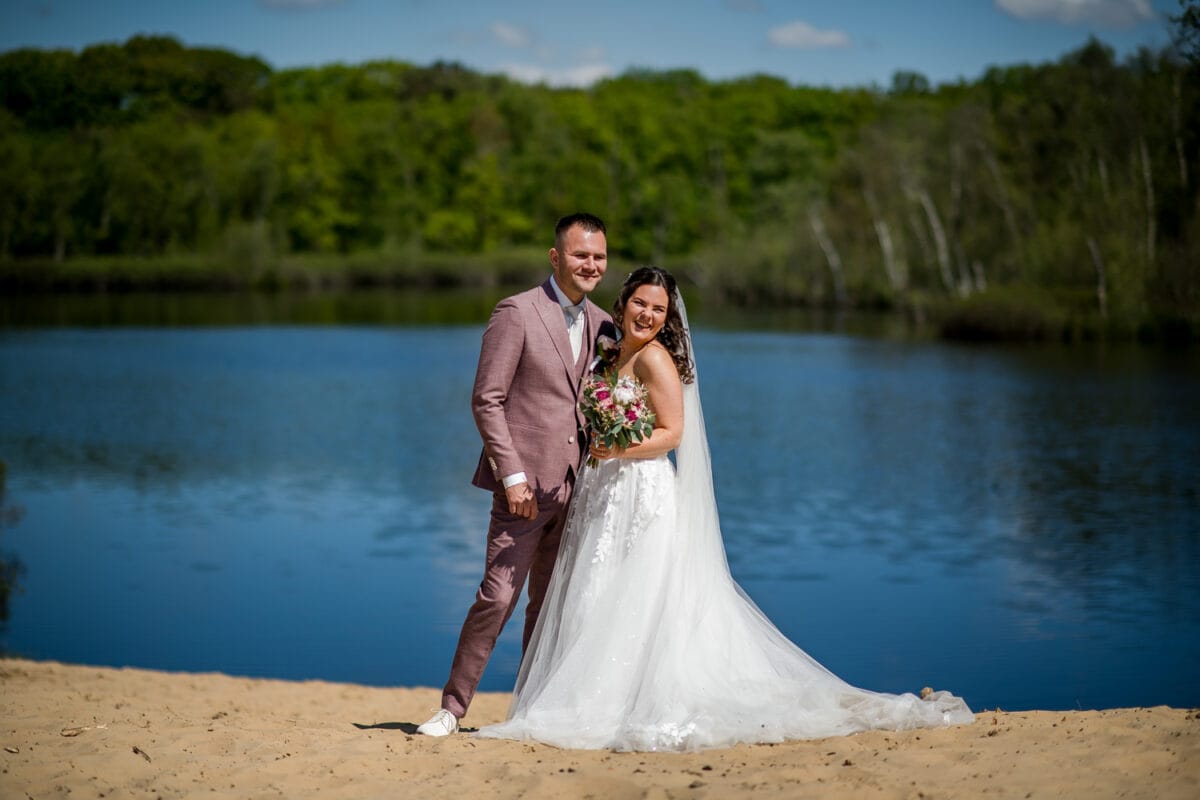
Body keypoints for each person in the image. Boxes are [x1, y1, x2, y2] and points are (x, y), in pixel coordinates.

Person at [477, 266, 974, 751]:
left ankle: (624, 700)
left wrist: (616, 449)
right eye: (639, 303)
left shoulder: (655, 360)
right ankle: (583, 694)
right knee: (597, 586)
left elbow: (673, 433)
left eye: (658, 309)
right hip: (604, 492)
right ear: (623, 302)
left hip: (642, 491)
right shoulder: (609, 352)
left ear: (668, 318)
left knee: (640, 591)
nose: (647, 315)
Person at [416, 213, 617, 737]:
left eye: (598, 256)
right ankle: (452, 709)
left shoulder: (605, 325)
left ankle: (530, 710)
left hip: (580, 489)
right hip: (522, 491)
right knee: (498, 596)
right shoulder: (517, 312)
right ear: (556, 258)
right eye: (580, 255)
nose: (590, 264)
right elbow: (488, 400)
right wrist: (512, 476)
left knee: (549, 604)